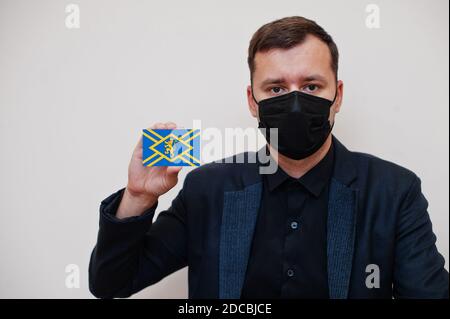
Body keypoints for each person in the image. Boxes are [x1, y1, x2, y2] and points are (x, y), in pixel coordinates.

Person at [89, 16, 449, 299]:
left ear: (337, 96)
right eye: (276, 88)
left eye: (311, 87)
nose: (294, 103)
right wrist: (137, 198)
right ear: (252, 101)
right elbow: (111, 283)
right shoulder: (208, 189)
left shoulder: (393, 191)